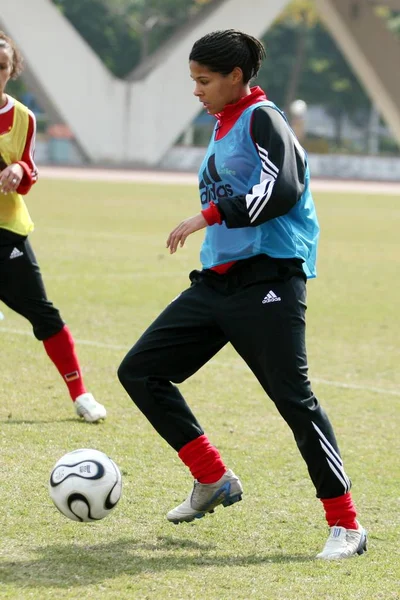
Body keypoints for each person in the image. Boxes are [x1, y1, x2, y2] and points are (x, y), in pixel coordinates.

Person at [118, 29, 367, 559]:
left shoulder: (263, 118)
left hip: (269, 280)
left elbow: (285, 190)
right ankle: (213, 479)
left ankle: (347, 525)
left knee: (293, 400)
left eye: (204, 80)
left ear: (236, 77)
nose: (196, 90)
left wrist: (207, 215)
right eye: (193, 80)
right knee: (139, 370)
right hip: (217, 283)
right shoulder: (224, 122)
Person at [0, 31, 106, 423]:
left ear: (12, 71)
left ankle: (81, 395)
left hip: (8, 230)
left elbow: (28, 176)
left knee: (45, 317)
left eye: (2, 67)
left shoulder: (23, 118)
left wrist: (18, 169)